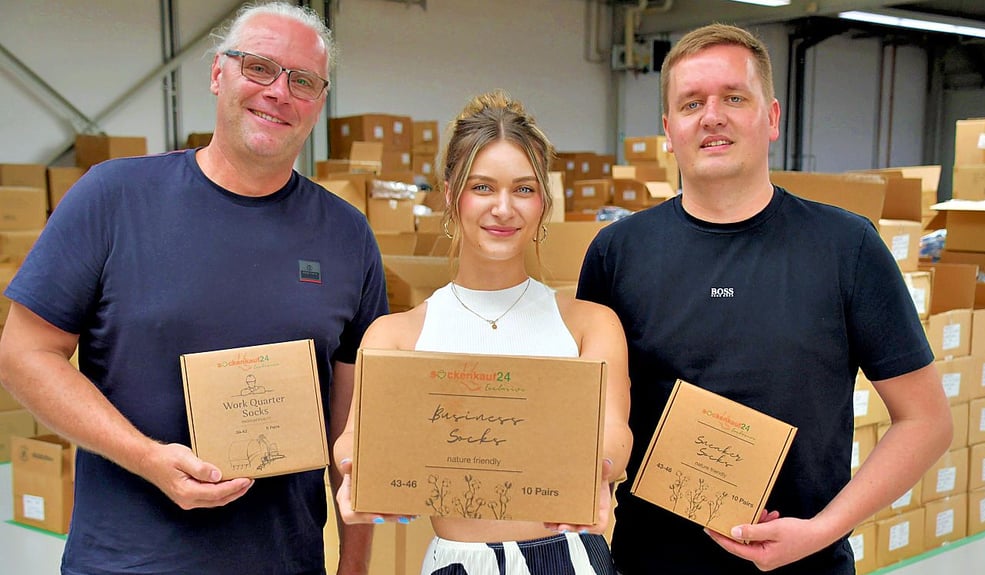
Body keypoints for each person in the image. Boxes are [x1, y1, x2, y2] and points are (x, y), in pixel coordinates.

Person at [0, 3, 387, 574]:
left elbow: (352, 426)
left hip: (286, 562)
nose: (279, 92)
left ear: (319, 101)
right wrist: (147, 457)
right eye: (259, 67)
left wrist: (354, 568)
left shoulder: (346, 234)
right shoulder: (114, 198)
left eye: (302, 80)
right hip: (127, 562)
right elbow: (22, 355)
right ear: (216, 74)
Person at [576, 23, 953, 575]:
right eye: (691, 103)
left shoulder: (846, 248)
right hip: (648, 563)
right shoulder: (616, 253)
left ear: (772, 117)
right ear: (668, 129)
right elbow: (588, 413)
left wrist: (823, 530)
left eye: (734, 97)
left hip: (805, 565)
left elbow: (926, 422)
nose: (712, 116)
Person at [333, 90, 633, 574]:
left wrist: (601, 469)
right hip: (457, 562)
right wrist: (356, 471)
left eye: (523, 189)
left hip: (571, 559)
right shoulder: (395, 337)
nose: (503, 208)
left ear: (543, 203)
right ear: (452, 195)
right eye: (482, 187)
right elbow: (354, 440)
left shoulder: (590, 324)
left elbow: (614, 433)